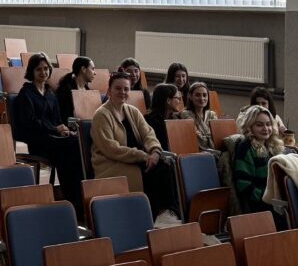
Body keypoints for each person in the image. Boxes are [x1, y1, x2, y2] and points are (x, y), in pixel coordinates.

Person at [91, 71, 181, 225]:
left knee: (165, 165)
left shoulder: (132, 111)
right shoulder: (101, 115)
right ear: (109, 91)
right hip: (112, 163)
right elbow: (111, 149)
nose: (122, 92)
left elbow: (148, 134)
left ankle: (167, 213)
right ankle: (153, 217)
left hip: (136, 159)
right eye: (118, 88)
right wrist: (143, 156)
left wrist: (155, 151)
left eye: (126, 89)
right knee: (149, 172)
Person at [12, 53, 84, 219]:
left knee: (76, 142)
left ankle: (78, 197)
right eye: (39, 69)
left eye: (46, 69)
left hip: (54, 139)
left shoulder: (50, 93)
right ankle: (72, 200)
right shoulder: (26, 94)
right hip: (38, 141)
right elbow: (30, 123)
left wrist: (64, 129)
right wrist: (55, 129)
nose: (43, 72)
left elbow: (57, 119)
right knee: (67, 150)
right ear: (32, 71)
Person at [233, 108, 285, 215]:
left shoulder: (272, 145)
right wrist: (269, 200)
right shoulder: (245, 147)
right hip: (260, 206)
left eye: (268, 124)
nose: (265, 128)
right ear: (250, 126)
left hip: (276, 200)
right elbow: (244, 185)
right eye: (259, 125)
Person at [144, 82, 184, 150]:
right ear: (168, 101)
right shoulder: (150, 120)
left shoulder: (175, 118)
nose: (180, 101)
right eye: (178, 98)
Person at [56, 56, 96, 123]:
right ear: (83, 69)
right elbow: (62, 117)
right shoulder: (66, 90)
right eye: (92, 69)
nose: (95, 73)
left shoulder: (88, 91)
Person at [180, 80, 217, 150]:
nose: (202, 98)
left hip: (214, 150)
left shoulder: (212, 114)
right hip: (196, 150)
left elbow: (217, 138)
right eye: (197, 95)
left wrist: (209, 138)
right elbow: (200, 140)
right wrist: (210, 137)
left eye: (204, 95)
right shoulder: (185, 114)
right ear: (190, 96)